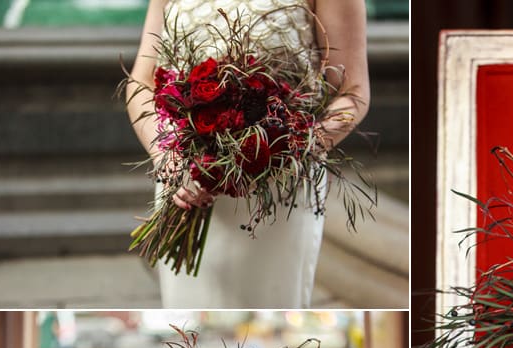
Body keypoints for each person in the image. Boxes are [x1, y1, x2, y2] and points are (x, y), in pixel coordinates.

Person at [127, 0, 369, 308]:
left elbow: (354, 94)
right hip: (185, 181)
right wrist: (166, 156)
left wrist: (285, 151)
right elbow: (142, 80)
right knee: (185, 313)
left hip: (275, 186)